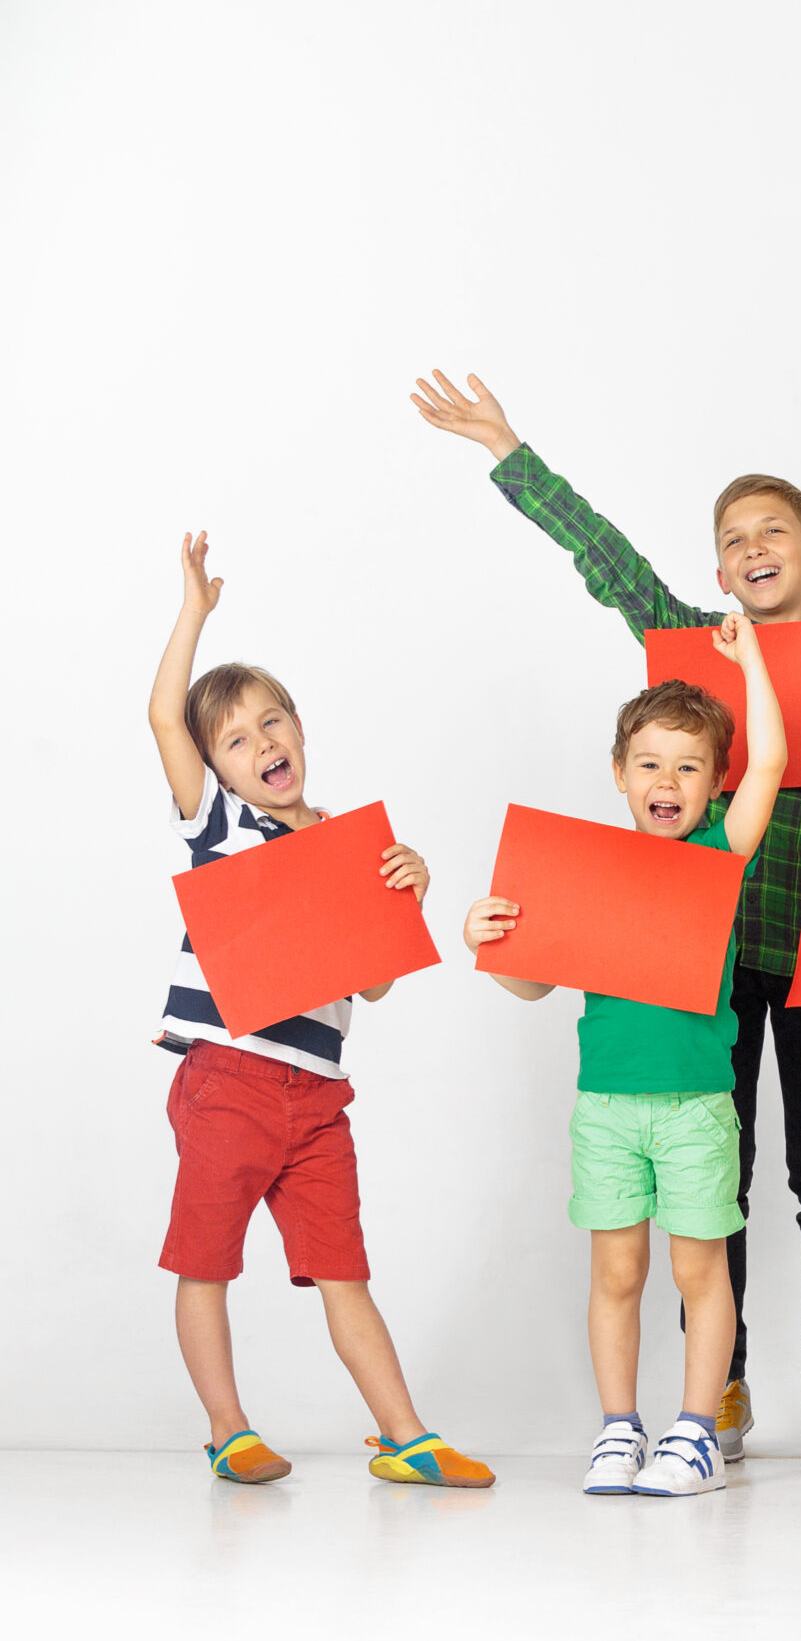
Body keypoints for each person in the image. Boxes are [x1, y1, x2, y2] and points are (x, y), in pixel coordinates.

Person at [415, 371, 801, 1463]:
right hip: (695, 963)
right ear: (719, 570)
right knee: (705, 1184)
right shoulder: (693, 643)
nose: (754, 546)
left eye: (775, 530)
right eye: (733, 538)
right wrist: (508, 449)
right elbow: (609, 562)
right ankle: (711, 1389)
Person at [148, 532, 492, 1489]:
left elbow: (370, 986)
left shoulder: (346, 839)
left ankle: (404, 1435)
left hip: (318, 1096)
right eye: (237, 739)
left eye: (273, 723)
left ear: (301, 728)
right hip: (225, 1080)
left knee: (344, 1268)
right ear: (218, 768)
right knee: (207, 1262)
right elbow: (163, 723)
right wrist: (194, 615)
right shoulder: (220, 826)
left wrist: (405, 894)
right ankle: (228, 1427)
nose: (263, 745)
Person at [463, 616, 784, 1498]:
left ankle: (697, 1431)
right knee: (617, 1270)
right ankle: (618, 1429)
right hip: (605, 1104)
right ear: (620, 775)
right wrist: (487, 943)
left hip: (695, 1105)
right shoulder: (590, 871)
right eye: (648, 763)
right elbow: (534, 984)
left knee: (697, 1270)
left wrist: (749, 656)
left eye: (688, 766)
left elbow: (770, 765)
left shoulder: (723, 850)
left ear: (713, 783)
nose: (667, 780)